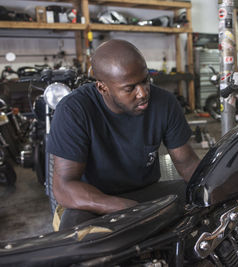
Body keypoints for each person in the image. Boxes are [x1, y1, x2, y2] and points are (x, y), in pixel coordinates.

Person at [47, 39, 200, 230]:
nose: (143, 93)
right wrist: (121, 207)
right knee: (75, 235)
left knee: (200, 198)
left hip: (145, 192)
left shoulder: (165, 103)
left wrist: (215, 189)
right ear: (102, 88)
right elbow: (64, 186)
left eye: (145, 81)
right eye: (130, 88)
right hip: (96, 199)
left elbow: (187, 163)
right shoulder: (74, 111)